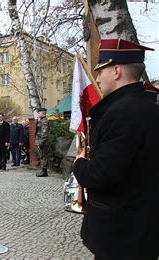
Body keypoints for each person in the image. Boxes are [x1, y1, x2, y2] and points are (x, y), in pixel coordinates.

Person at [73, 39, 159, 259]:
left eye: (101, 71)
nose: (98, 78)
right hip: (144, 229)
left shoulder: (122, 113)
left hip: (121, 234)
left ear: (117, 71)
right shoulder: (150, 106)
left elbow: (101, 175)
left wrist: (79, 164)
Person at [35, 108, 49, 177]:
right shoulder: (41, 120)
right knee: (42, 156)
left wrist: (41, 143)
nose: (38, 114)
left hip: (43, 142)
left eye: (39, 113)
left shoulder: (44, 121)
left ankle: (44, 172)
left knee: (43, 156)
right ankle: (43, 170)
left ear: (43, 113)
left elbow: (44, 133)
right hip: (40, 141)